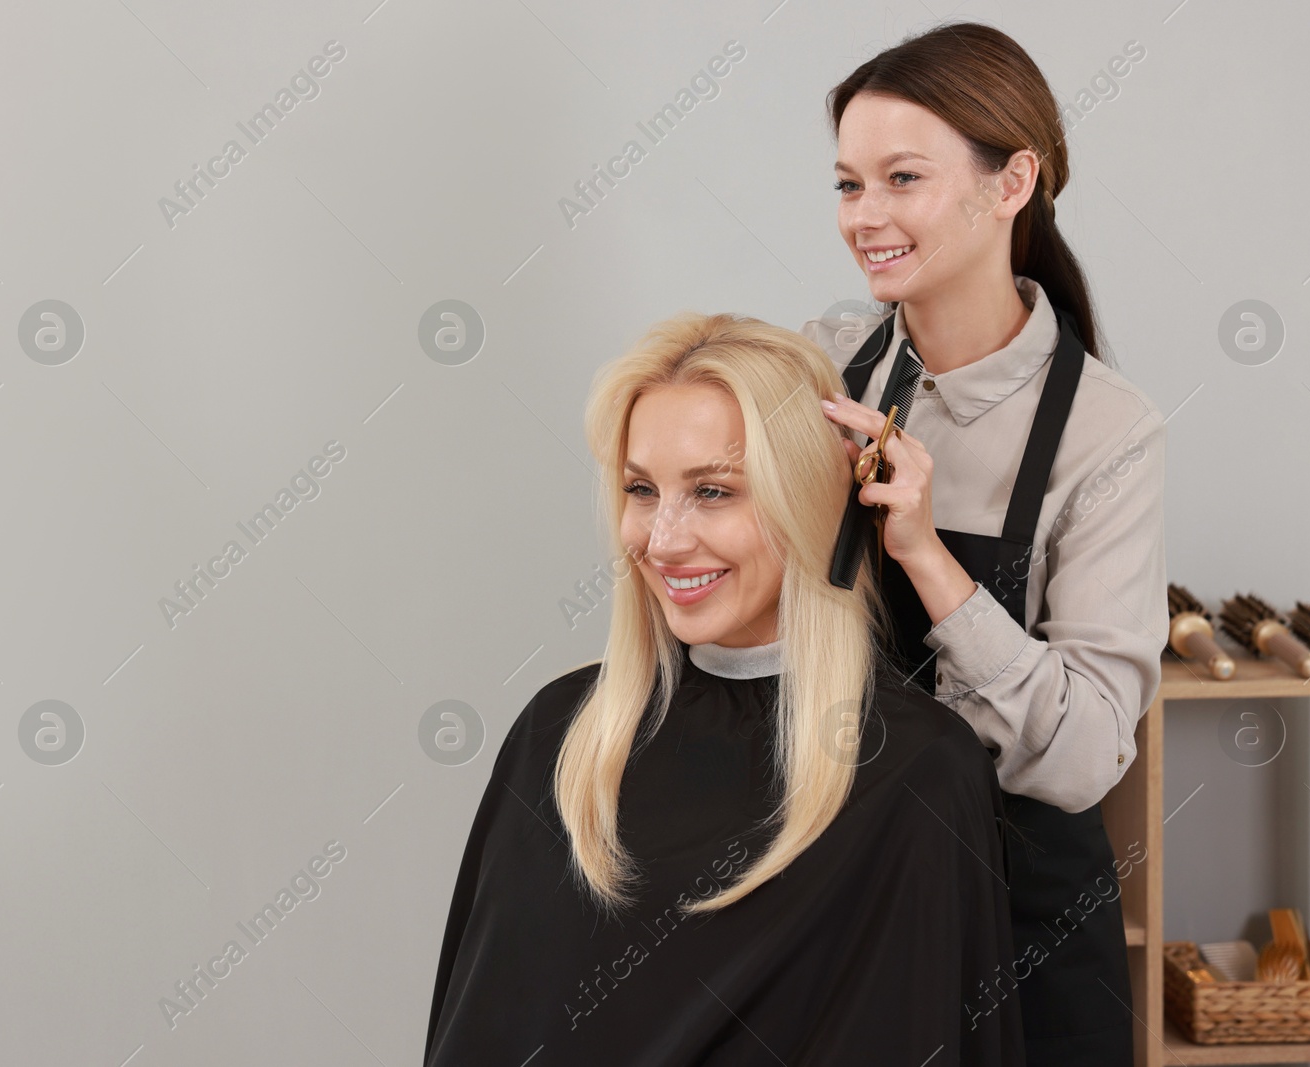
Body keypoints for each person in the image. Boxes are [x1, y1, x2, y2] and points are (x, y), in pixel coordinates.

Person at [424, 312, 1025, 1065]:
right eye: (641, 489)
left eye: (713, 491)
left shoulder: (917, 772)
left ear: (809, 500)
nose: (663, 538)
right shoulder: (557, 736)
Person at [803, 22, 1169, 1066]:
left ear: (1012, 181)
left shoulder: (1108, 433)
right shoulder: (823, 369)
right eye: (846, 184)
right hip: (843, 890)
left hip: (1023, 931)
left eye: (901, 178)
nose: (863, 217)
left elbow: (1086, 750)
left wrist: (924, 551)